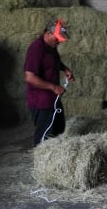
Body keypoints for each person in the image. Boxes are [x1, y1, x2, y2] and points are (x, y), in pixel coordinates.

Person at [24, 18, 75, 146]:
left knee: (59, 129)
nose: (59, 41)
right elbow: (30, 77)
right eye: (57, 38)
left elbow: (53, 61)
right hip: (41, 101)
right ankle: (40, 157)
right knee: (45, 135)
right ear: (48, 33)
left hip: (53, 99)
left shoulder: (51, 46)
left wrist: (65, 69)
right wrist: (54, 87)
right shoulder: (36, 49)